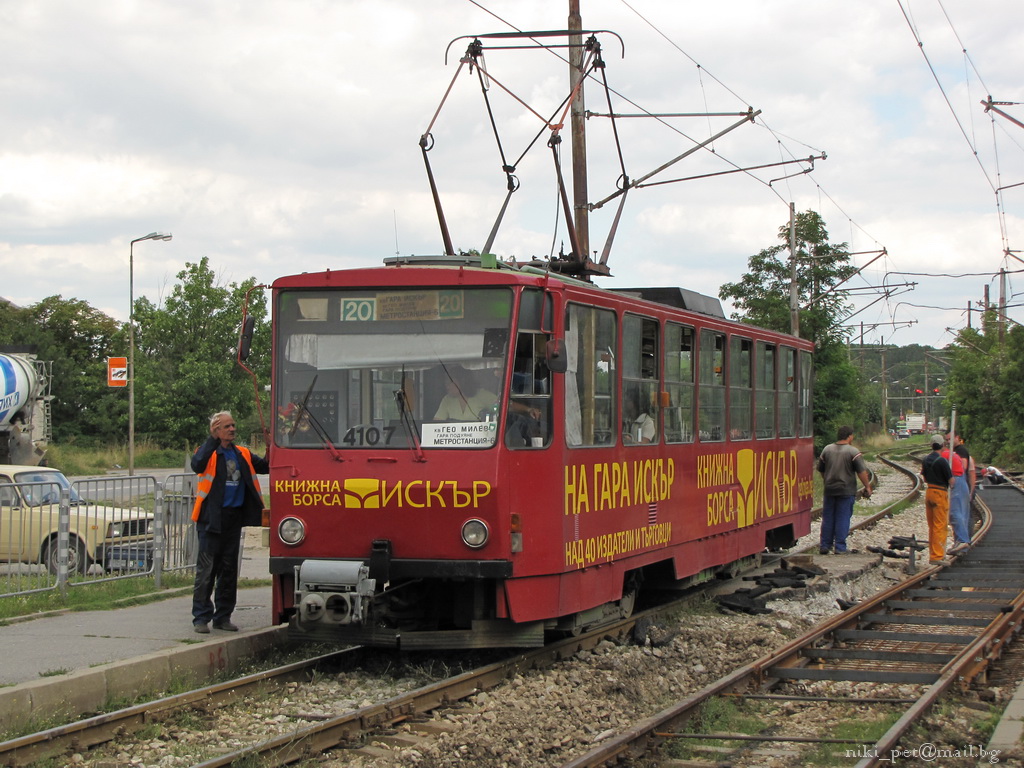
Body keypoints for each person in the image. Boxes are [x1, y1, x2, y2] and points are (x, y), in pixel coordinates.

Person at [190, 411, 269, 634]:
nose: (232, 429)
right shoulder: (208, 452)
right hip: (211, 519)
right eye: (227, 426)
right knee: (206, 571)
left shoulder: (242, 453)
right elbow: (197, 464)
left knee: (228, 571)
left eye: (233, 425)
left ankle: (223, 617)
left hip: (233, 519)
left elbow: (265, 466)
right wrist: (212, 440)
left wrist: (272, 447)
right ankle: (201, 618)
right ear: (216, 430)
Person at [816, 425, 872, 554]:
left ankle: (825, 545)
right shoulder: (853, 452)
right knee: (843, 517)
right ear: (849, 436)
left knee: (828, 518)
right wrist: (867, 486)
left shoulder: (827, 449)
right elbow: (861, 472)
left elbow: (821, 469)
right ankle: (840, 547)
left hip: (829, 489)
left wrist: (827, 480)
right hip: (846, 490)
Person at [920, 434, 953, 564]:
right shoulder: (942, 461)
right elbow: (951, 481)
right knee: (940, 525)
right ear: (942, 445)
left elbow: (924, 478)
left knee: (932, 525)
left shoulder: (925, 459)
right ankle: (937, 556)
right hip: (940, 493)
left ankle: (933, 553)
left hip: (929, 492)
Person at [433, 366, 498, 421]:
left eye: (450, 383)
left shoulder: (483, 395)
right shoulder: (447, 400)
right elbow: (437, 422)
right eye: (446, 383)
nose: (448, 387)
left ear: (462, 381)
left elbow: (501, 410)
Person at [947, 433, 975, 552]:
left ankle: (963, 541)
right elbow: (972, 471)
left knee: (957, 513)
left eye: (951, 439)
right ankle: (962, 542)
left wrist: (971, 489)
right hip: (964, 485)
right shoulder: (958, 452)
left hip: (960, 484)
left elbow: (964, 469)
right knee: (963, 515)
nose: (949, 441)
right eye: (947, 439)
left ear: (957, 437)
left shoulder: (961, 451)